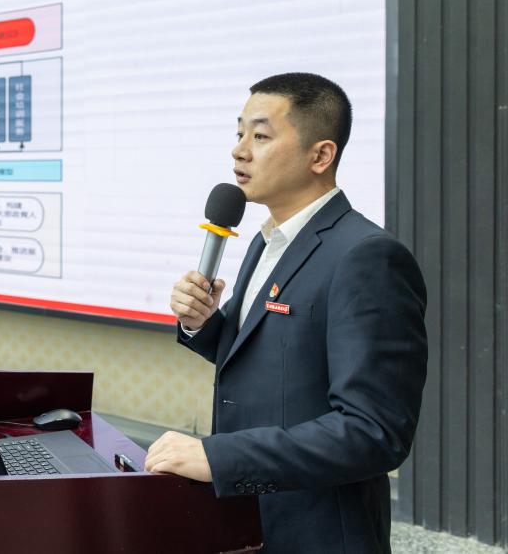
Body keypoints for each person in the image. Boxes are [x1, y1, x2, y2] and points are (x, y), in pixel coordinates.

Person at [145, 73, 427, 553]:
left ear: (321, 155)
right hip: (249, 515)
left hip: (317, 529)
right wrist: (204, 324)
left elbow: (373, 432)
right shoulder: (267, 241)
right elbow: (271, 357)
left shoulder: (367, 256)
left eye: (260, 136)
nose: (239, 151)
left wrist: (220, 457)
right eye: (239, 133)